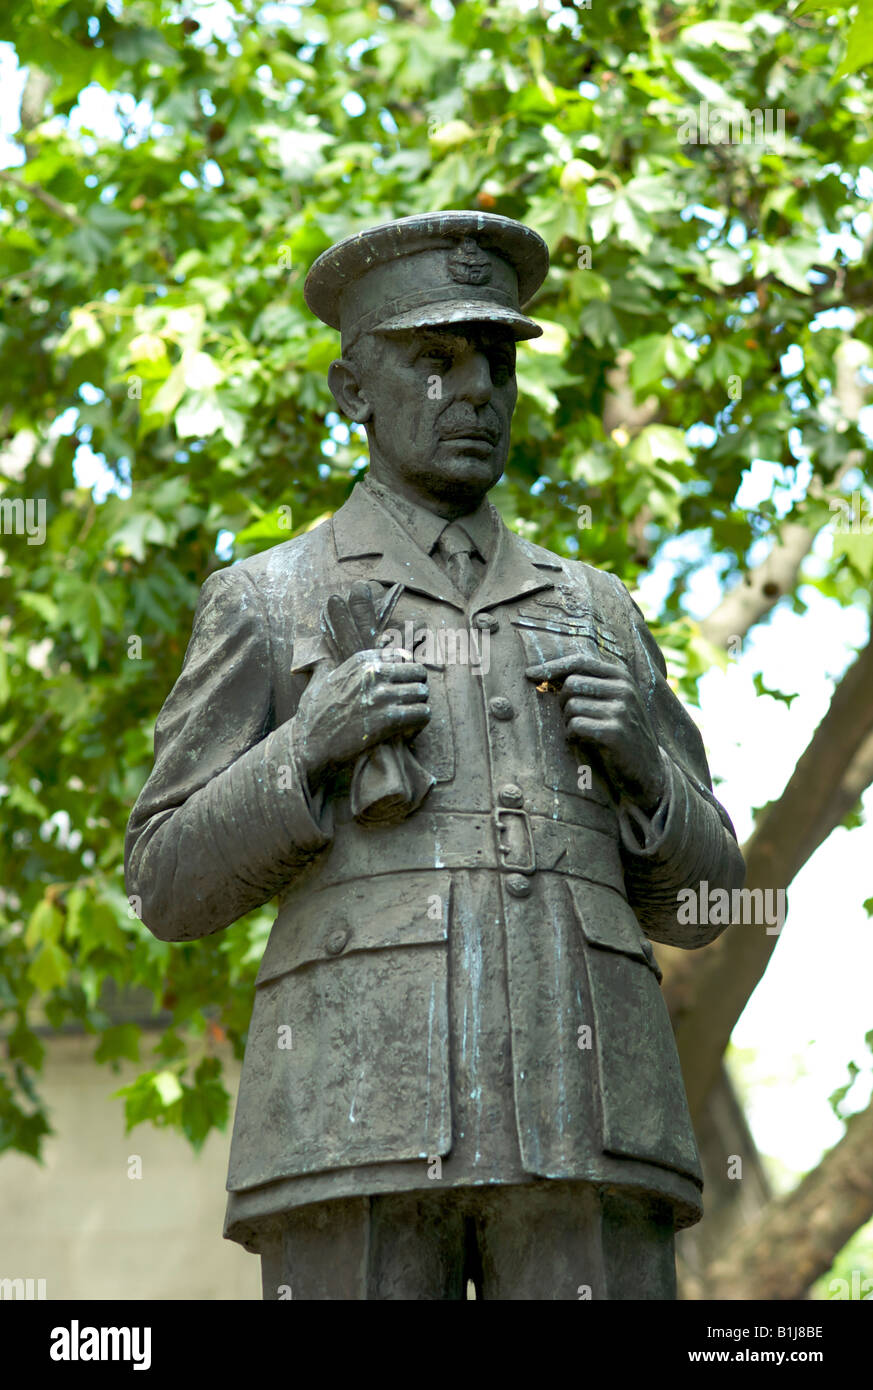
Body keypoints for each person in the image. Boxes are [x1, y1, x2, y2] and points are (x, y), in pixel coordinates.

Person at [125, 211, 744, 1299]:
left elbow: (712, 905)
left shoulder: (598, 608)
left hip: (589, 1127)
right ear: (351, 391)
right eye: (435, 360)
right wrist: (306, 751)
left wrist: (647, 767)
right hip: (350, 1123)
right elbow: (167, 881)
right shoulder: (269, 599)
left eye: (497, 363)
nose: (478, 394)